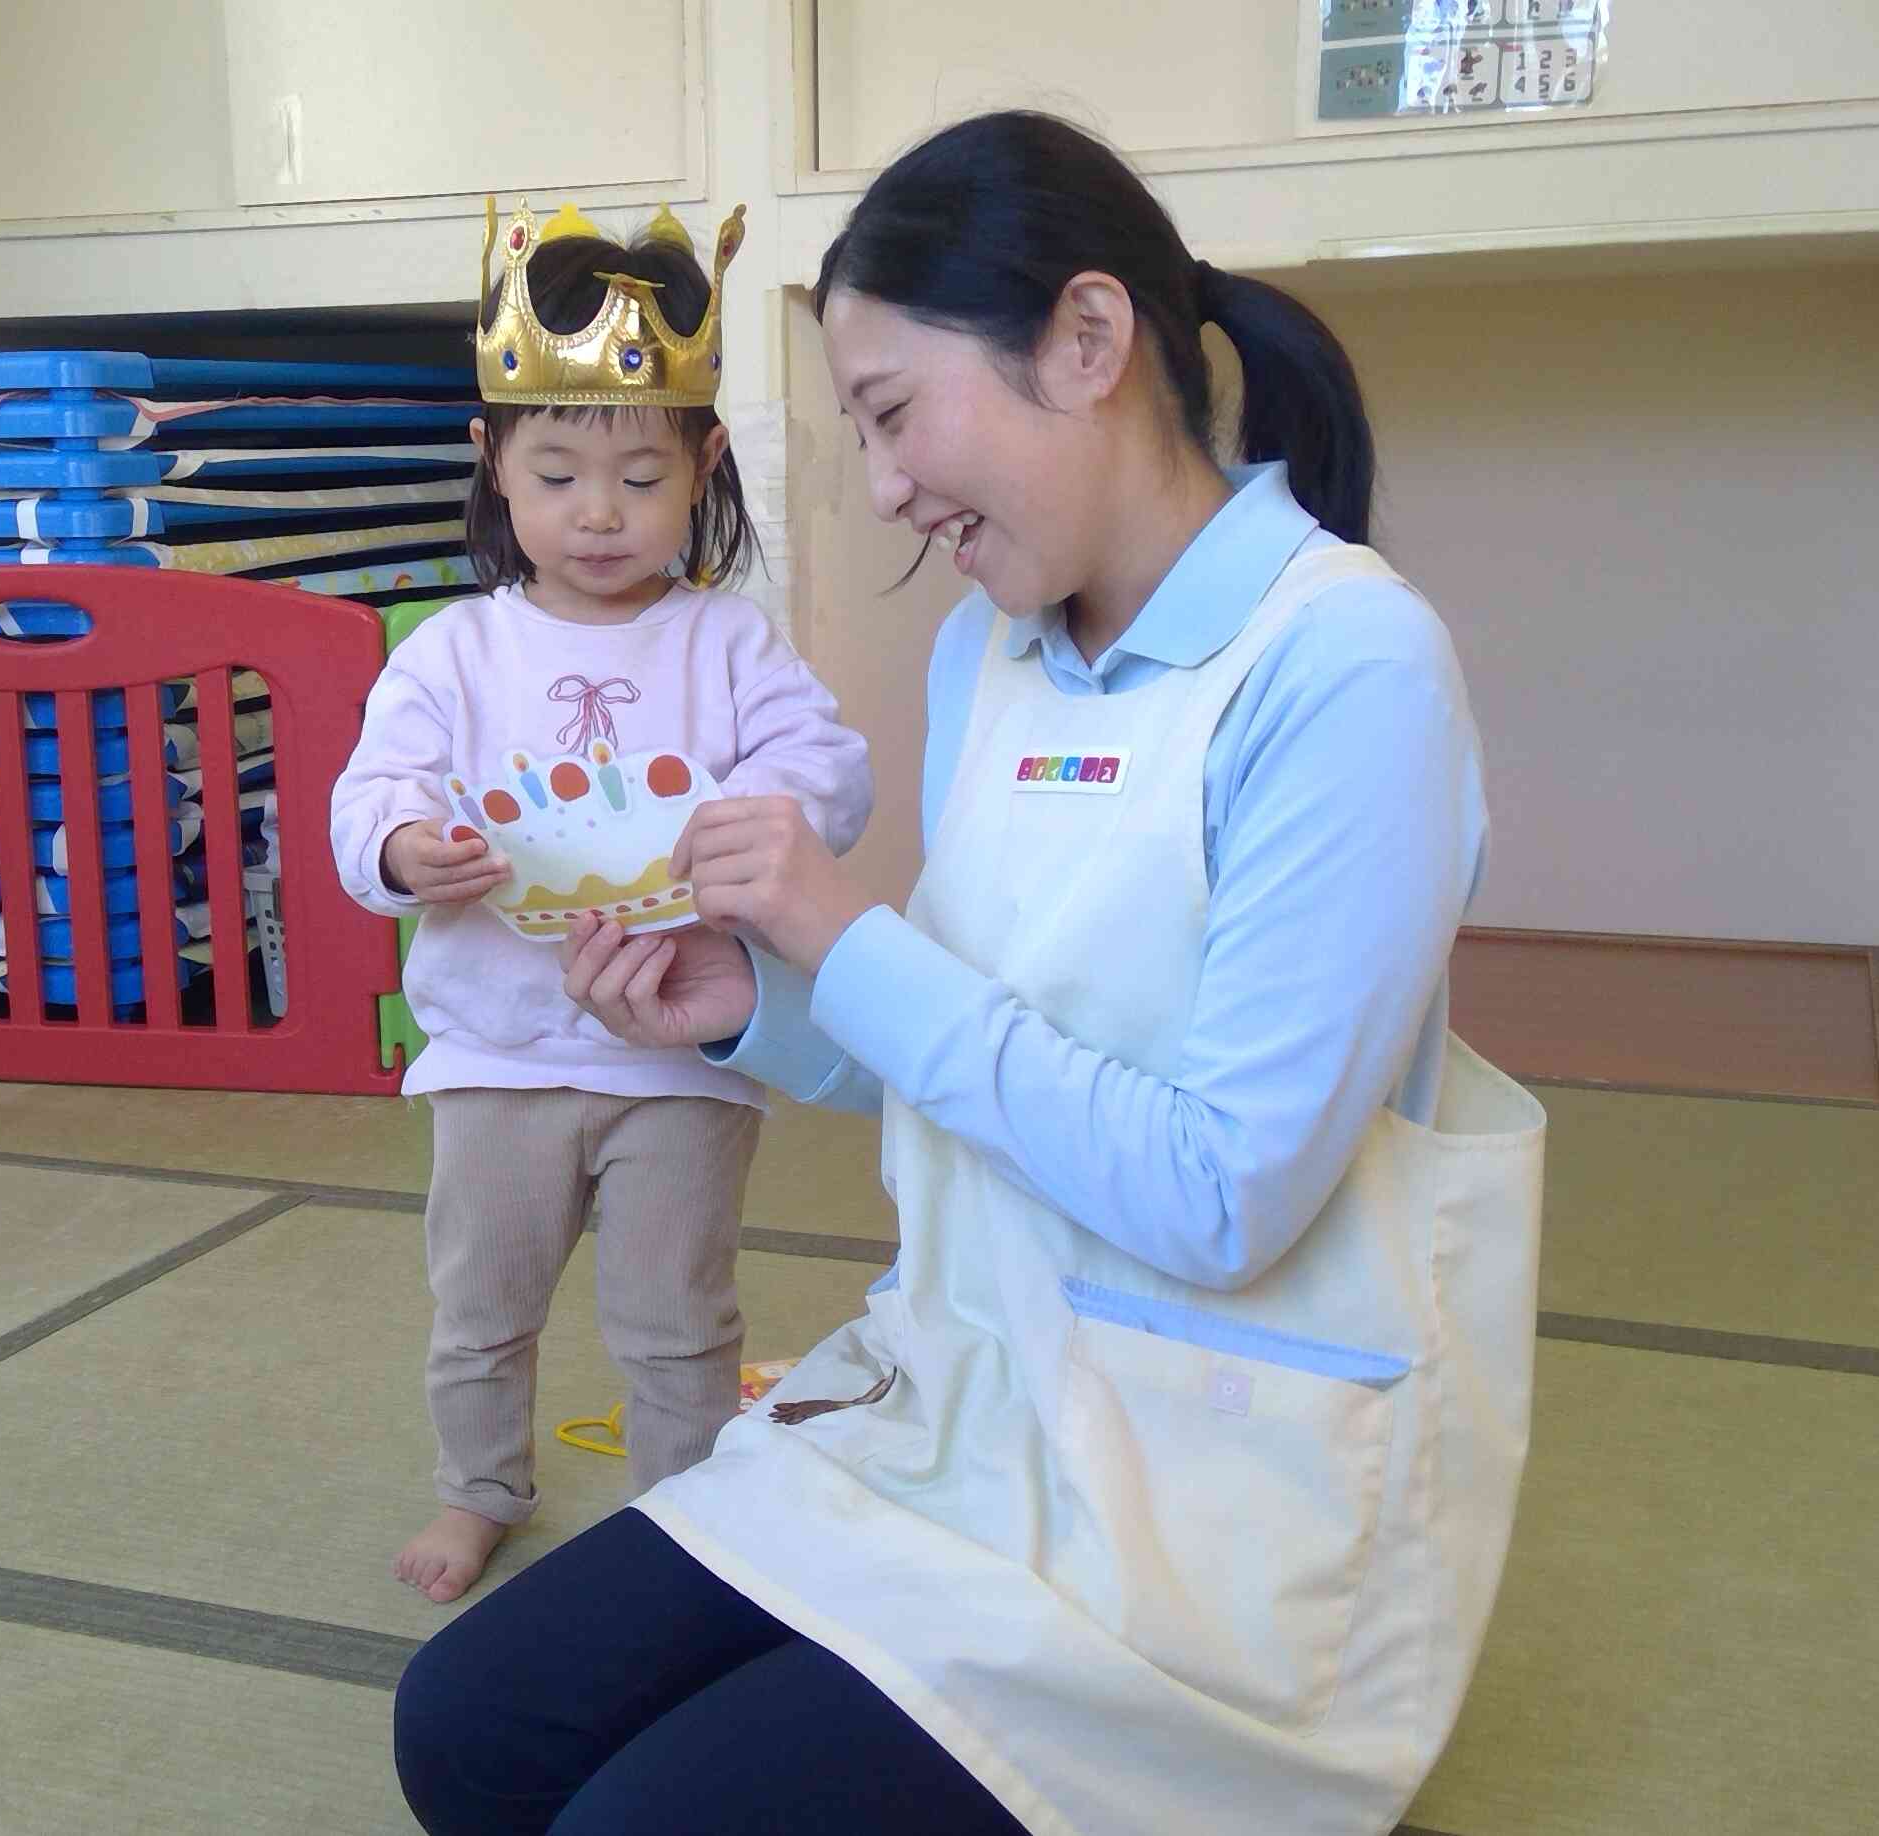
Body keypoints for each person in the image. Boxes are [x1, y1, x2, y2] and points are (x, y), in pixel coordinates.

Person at [392, 112, 1547, 1834]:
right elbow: (971, 1044)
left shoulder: (1346, 666)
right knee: (470, 1734)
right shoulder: (994, 648)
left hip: (1199, 1492)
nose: (885, 489)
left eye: (889, 411)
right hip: (960, 1398)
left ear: (1087, 343)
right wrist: (754, 1007)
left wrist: (841, 936)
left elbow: (1222, 1195)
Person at [330, 197, 874, 1606]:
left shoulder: (728, 639)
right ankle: (479, 1490)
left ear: (702, 465)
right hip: (496, 1058)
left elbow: (827, 765)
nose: (598, 513)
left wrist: (769, 825)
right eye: (559, 472)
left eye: (638, 477)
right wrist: (403, 852)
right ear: (493, 466)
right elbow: (367, 790)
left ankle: (685, 1523)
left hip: (679, 1065)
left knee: (678, 1325)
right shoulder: (453, 653)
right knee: (479, 1312)